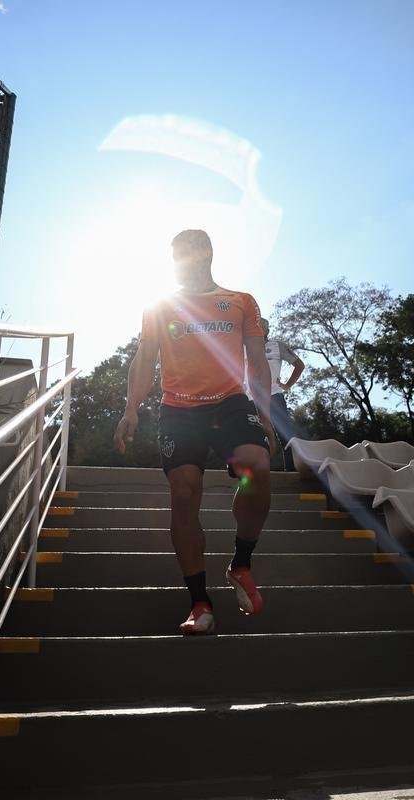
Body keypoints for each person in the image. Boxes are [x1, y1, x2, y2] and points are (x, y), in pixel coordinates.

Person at [113, 229, 275, 635]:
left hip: (230, 403)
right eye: (175, 254)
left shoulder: (241, 302)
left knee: (256, 465)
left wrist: (267, 412)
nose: (181, 258)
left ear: (206, 252)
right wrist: (131, 409)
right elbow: (144, 358)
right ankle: (199, 603)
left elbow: (256, 361)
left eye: (187, 250)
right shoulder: (160, 306)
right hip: (179, 409)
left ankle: (241, 563)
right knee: (184, 494)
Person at [260, 317, 304, 470]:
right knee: (254, 434)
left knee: (285, 434)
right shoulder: (243, 346)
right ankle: (256, 470)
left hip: (274, 395)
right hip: (251, 397)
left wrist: (287, 385)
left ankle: (291, 470)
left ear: (267, 330)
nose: (257, 328)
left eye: (261, 326)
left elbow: (299, 365)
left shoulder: (277, 346)